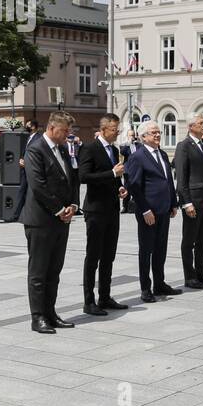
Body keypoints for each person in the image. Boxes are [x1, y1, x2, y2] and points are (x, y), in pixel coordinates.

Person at [21, 111, 80, 334]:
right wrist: (59, 209)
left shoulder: (63, 149)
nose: (68, 135)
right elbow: (38, 185)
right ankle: (38, 317)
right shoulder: (35, 149)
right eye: (65, 131)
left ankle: (50, 312)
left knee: (54, 269)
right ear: (52, 128)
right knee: (39, 271)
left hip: (61, 219)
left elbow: (72, 179)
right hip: (41, 220)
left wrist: (73, 205)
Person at [77, 114, 130, 316]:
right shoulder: (90, 148)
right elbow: (84, 177)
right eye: (115, 128)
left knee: (109, 255)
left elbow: (114, 179)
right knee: (93, 256)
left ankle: (105, 296)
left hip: (112, 209)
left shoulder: (114, 150)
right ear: (105, 128)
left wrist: (120, 188)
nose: (118, 132)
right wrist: (112, 175)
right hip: (96, 209)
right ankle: (89, 301)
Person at [125, 120, 181, 301]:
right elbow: (134, 185)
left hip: (164, 209)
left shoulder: (163, 154)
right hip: (148, 211)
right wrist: (144, 210)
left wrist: (173, 203)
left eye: (159, 132)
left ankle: (159, 283)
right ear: (143, 137)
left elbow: (168, 181)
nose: (158, 135)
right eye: (153, 132)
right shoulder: (138, 157)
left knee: (160, 249)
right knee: (146, 249)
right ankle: (145, 288)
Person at [175, 114, 203, 290]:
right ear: (191, 126)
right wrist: (186, 203)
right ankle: (190, 276)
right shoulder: (183, 146)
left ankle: (202, 273)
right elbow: (181, 178)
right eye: (201, 123)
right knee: (189, 240)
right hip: (193, 201)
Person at [11, 119, 42, 222]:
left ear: (33, 127)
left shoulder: (38, 138)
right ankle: (17, 214)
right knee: (22, 191)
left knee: (30, 192)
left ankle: (21, 214)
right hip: (25, 170)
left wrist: (27, 162)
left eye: (28, 125)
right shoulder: (29, 137)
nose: (26, 127)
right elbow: (26, 152)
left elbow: (36, 154)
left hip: (32, 170)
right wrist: (21, 158)